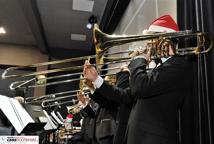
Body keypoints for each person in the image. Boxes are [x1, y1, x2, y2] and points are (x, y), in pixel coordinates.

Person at [83, 15, 194, 144]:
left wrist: (139, 61)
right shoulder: (157, 67)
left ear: (165, 39)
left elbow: (139, 88)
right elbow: (125, 96)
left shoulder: (178, 65)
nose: (147, 43)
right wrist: (96, 79)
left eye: (151, 38)